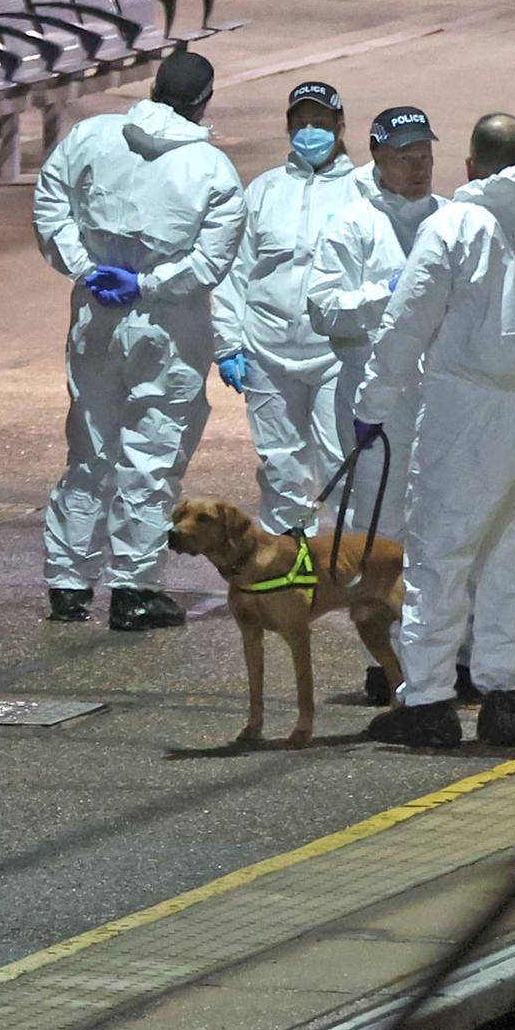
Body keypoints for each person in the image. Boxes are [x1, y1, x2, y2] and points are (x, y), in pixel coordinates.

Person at [356, 113, 515, 748]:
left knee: (440, 555)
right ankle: (506, 698)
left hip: (468, 412)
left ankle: (430, 700)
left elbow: (405, 323)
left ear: (470, 166)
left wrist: (373, 405)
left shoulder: (453, 227)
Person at [33, 50, 244, 631]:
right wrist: (148, 283)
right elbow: (210, 263)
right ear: (205, 100)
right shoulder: (213, 170)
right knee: (151, 456)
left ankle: (69, 583)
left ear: (152, 87)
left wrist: (85, 267)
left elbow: (50, 203)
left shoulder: (92, 137)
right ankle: (134, 587)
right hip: (167, 326)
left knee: (90, 448)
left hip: (95, 316)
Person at [308, 105, 444, 707]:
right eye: (403, 158)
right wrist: (386, 296)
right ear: (378, 160)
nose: (417, 168)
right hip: (374, 398)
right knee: (381, 532)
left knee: (443, 523)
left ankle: (441, 654)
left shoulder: (453, 220)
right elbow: (324, 308)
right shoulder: (353, 225)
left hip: (441, 396)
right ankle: (386, 658)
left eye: (425, 156)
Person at [212, 80, 363, 535]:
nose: (310, 132)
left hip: (335, 355)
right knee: (280, 466)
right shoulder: (262, 192)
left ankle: (346, 565)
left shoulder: (362, 192)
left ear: (340, 127)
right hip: (267, 352)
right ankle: (288, 563)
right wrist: (228, 343)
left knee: (341, 461)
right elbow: (234, 270)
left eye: (320, 123)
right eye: (301, 124)